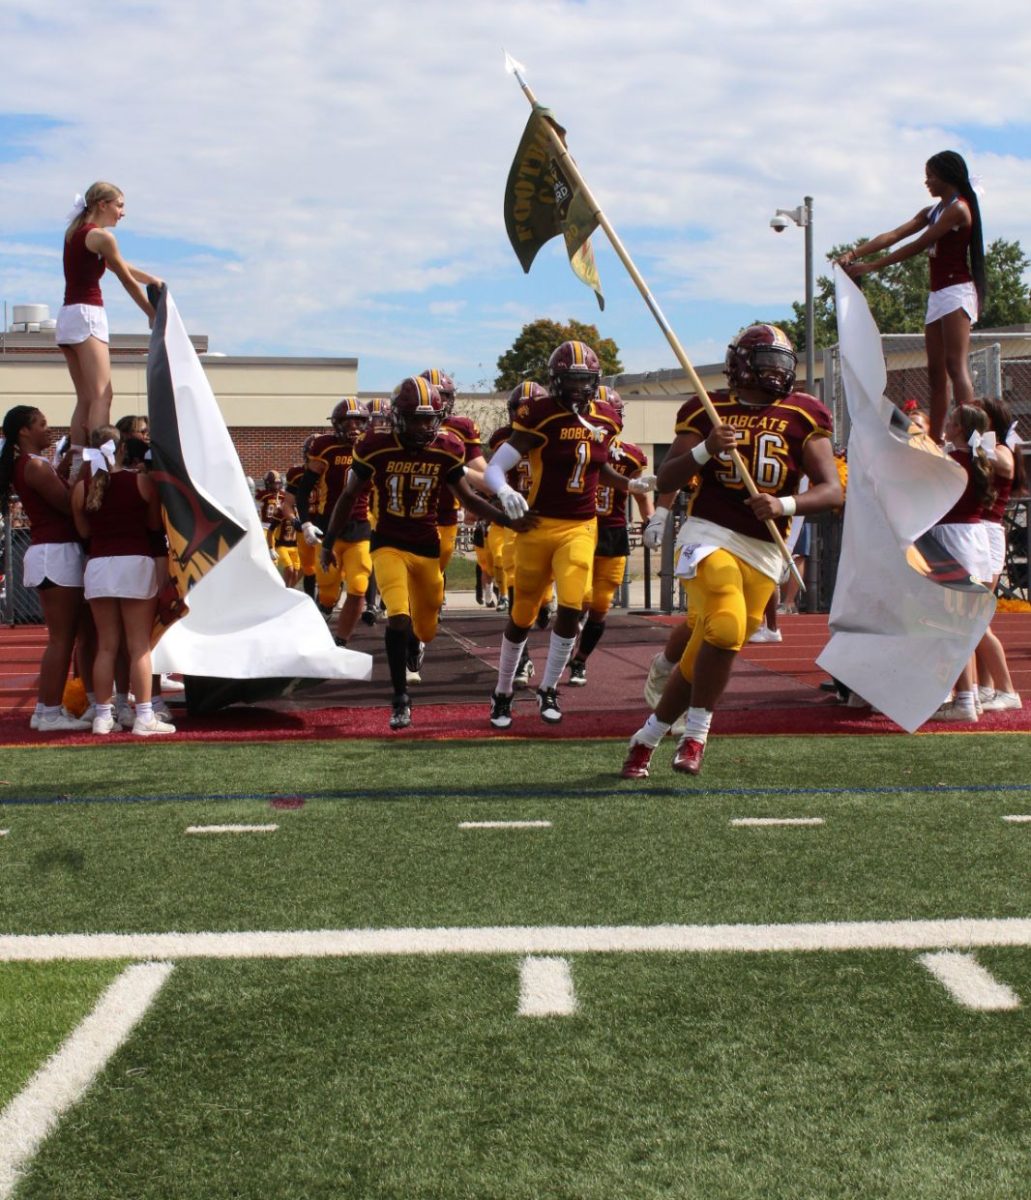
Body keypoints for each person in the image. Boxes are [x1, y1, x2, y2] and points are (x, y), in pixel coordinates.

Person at [620, 325, 842, 778]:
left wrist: (783, 504)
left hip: (765, 546)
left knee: (713, 643)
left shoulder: (805, 412)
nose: (776, 373)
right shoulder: (707, 407)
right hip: (708, 533)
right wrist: (705, 449)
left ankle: (645, 739)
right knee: (723, 627)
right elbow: (666, 479)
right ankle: (696, 736)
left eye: (782, 364)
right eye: (765, 363)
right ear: (741, 364)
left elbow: (832, 491)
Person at [321, 376, 533, 730]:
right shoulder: (375, 445)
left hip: (427, 546)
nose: (424, 426)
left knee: (426, 628)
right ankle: (400, 699)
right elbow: (347, 496)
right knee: (398, 616)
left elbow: (467, 498)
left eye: (429, 418)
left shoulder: (446, 446)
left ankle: (415, 648)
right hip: (388, 542)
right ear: (399, 417)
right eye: (416, 418)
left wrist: (507, 520)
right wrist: (328, 541)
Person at [483, 341, 654, 729]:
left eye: (584, 381)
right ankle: (503, 690)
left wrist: (632, 485)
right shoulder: (539, 415)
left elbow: (596, 467)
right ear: (556, 381)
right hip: (538, 524)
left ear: (595, 381)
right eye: (571, 381)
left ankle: (548, 687)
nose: (578, 389)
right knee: (523, 613)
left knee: (574, 605)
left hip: (580, 525)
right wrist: (506, 491)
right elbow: (496, 467)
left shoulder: (607, 417)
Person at [837, 151, 985, 444]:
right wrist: (855, 254)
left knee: (955, 365)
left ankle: (971, 435)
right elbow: (895, 234)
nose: (926, 181)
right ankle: (936, 439)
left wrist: (872, 267)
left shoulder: (959, 209)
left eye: (931, 175)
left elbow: (919, 244)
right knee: (934, 372)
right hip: (938, 293)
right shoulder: (933, 210)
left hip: (957, 291)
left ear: (947, 176)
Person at [71, 426, 174, 735]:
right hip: (135, 563)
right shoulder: (142, 482)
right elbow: (155, 529)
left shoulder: (82, 488)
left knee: (106, 646)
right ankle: (144, 715)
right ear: (123, 450)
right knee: (139, 646)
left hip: (99, 566)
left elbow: (85, 534)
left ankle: (103, 716)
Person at [1, 405, 93, 731]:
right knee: (61, 639)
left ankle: (49, 709)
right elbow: (68, 505)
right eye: (41, 423)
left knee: (75, 635)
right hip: (55, 552)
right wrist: (85, 473)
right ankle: (49, 712)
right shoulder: (34, 466)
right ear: (24, 431)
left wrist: (69, 466)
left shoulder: (37, 465)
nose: (46, 427)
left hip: (56, 551)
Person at [58, 182, 162, 460]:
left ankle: (80, 460)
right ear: (102, 205)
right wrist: (151, 314)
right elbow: (125, 279)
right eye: (119, 205)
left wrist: (151, 279)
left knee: (86, 397)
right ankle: (99, 462)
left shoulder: (77, 232)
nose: (122, 212)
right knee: (103, 395)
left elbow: (121, 265)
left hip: (68, 316)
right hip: (87, 316)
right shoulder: (101, 237)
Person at [567, 387, 653, 686]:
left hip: (613, 531)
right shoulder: (576, 443)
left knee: (601, 604)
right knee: (581, 597)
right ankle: (567, 637)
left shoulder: (632, 454)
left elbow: (640, 493)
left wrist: (650, 519)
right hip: (580, 527)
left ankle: (579, 661)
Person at [925, 404, 994, 722]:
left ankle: (964, 698)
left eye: (951, 421)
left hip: (951, 539)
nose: (946, 424)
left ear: (958, 429)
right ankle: (971, 695)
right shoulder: (982, 459)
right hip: (975, 539)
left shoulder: (950, 461)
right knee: (965, 621)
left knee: (954, 623)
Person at [295, 398, 373, 645]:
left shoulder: (372, 447)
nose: (354, 427)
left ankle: (341, 641)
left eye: (359, 421)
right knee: (328, 592)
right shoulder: (324, 447)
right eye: (348, 422)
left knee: (359, 585)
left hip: (359, 526)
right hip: (326, 528)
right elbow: (303, 490)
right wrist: (306, 523)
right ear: (337, 424)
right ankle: (324, 610)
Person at [975, 397, 1024, 711]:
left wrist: (977, 446)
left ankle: (1007, 690)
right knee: (974, 616)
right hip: (977, 533)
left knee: (975, 618)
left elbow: (1005, 464)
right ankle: (986, 687)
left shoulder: (1002, 449)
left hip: (987, 534)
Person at [419, 369, 488, 579]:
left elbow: (482, 473)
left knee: (435, 570)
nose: (440, 400)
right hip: (409, 511)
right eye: (435, 394)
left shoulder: (461, 427)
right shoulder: (404, 427)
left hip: (445, 511)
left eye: (445, 395)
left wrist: (458, 468)